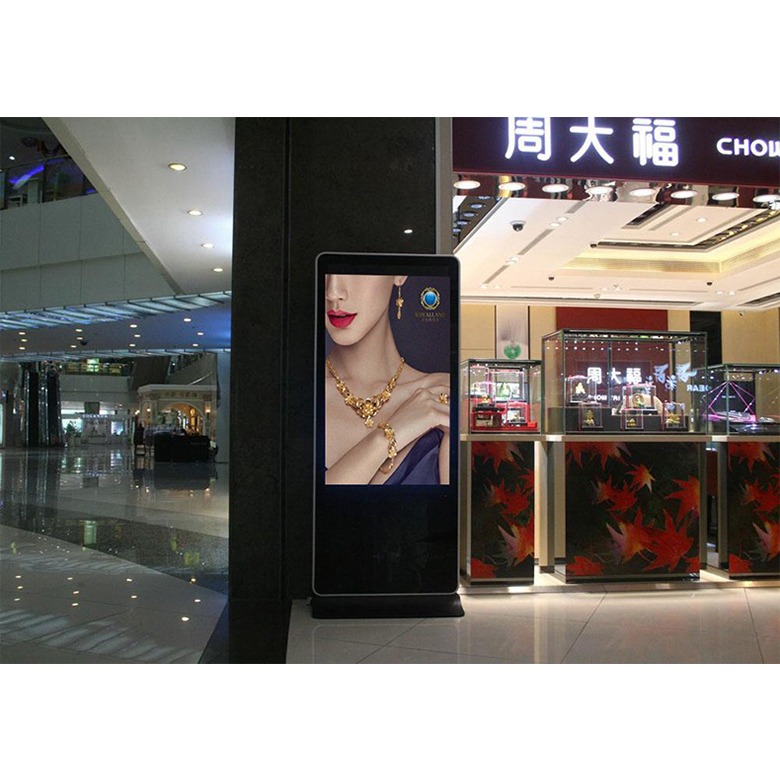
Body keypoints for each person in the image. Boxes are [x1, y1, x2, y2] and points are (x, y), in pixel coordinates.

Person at [324, 273, 450, 485]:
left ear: (399, 275)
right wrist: (390, 434)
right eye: (325, 272)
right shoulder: (292, 399)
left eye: (357, 269)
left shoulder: (442, 396)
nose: (333, 292)